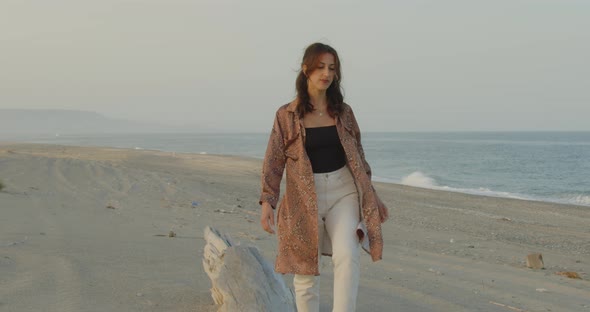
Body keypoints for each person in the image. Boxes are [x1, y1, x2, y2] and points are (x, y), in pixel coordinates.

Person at [259, 42, 389, 312]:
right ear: (306, 69)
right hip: (303, 199)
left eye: (332, 68)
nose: (326, 74)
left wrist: (372, 195)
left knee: (347, 254)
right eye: (320, 67)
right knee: (305, 269)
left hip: (344, 192)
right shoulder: (287, 115)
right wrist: (267, 202)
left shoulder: (344, 112)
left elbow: (359, 158)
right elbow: (274, 160)